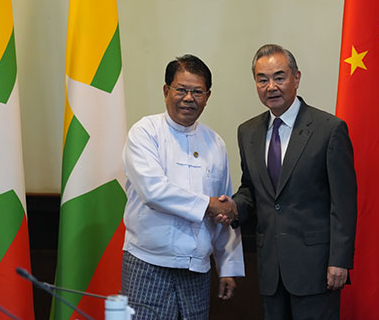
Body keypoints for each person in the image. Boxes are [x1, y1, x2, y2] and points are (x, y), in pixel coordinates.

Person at [225, 44, 357, 319]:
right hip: (271, 269)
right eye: (262, 79)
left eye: (279, 77)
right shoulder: (247, 132)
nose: (270, 86)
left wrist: (339, 261)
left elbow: (343, 202)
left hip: (317, 269)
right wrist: (233, 207)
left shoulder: (328, 129)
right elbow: (251, 189)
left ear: (296, 78)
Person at [121, 54, 244, 320]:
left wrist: (228, 266)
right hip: (148, 263)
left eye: (197, 92)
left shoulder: (215, 143)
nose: (189, 98)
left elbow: (225, 206)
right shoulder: (145, 132)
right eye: (181, 90)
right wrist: (208, 205)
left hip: (196, 269)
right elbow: (153, 191)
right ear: (166, 91)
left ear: (207, 96)